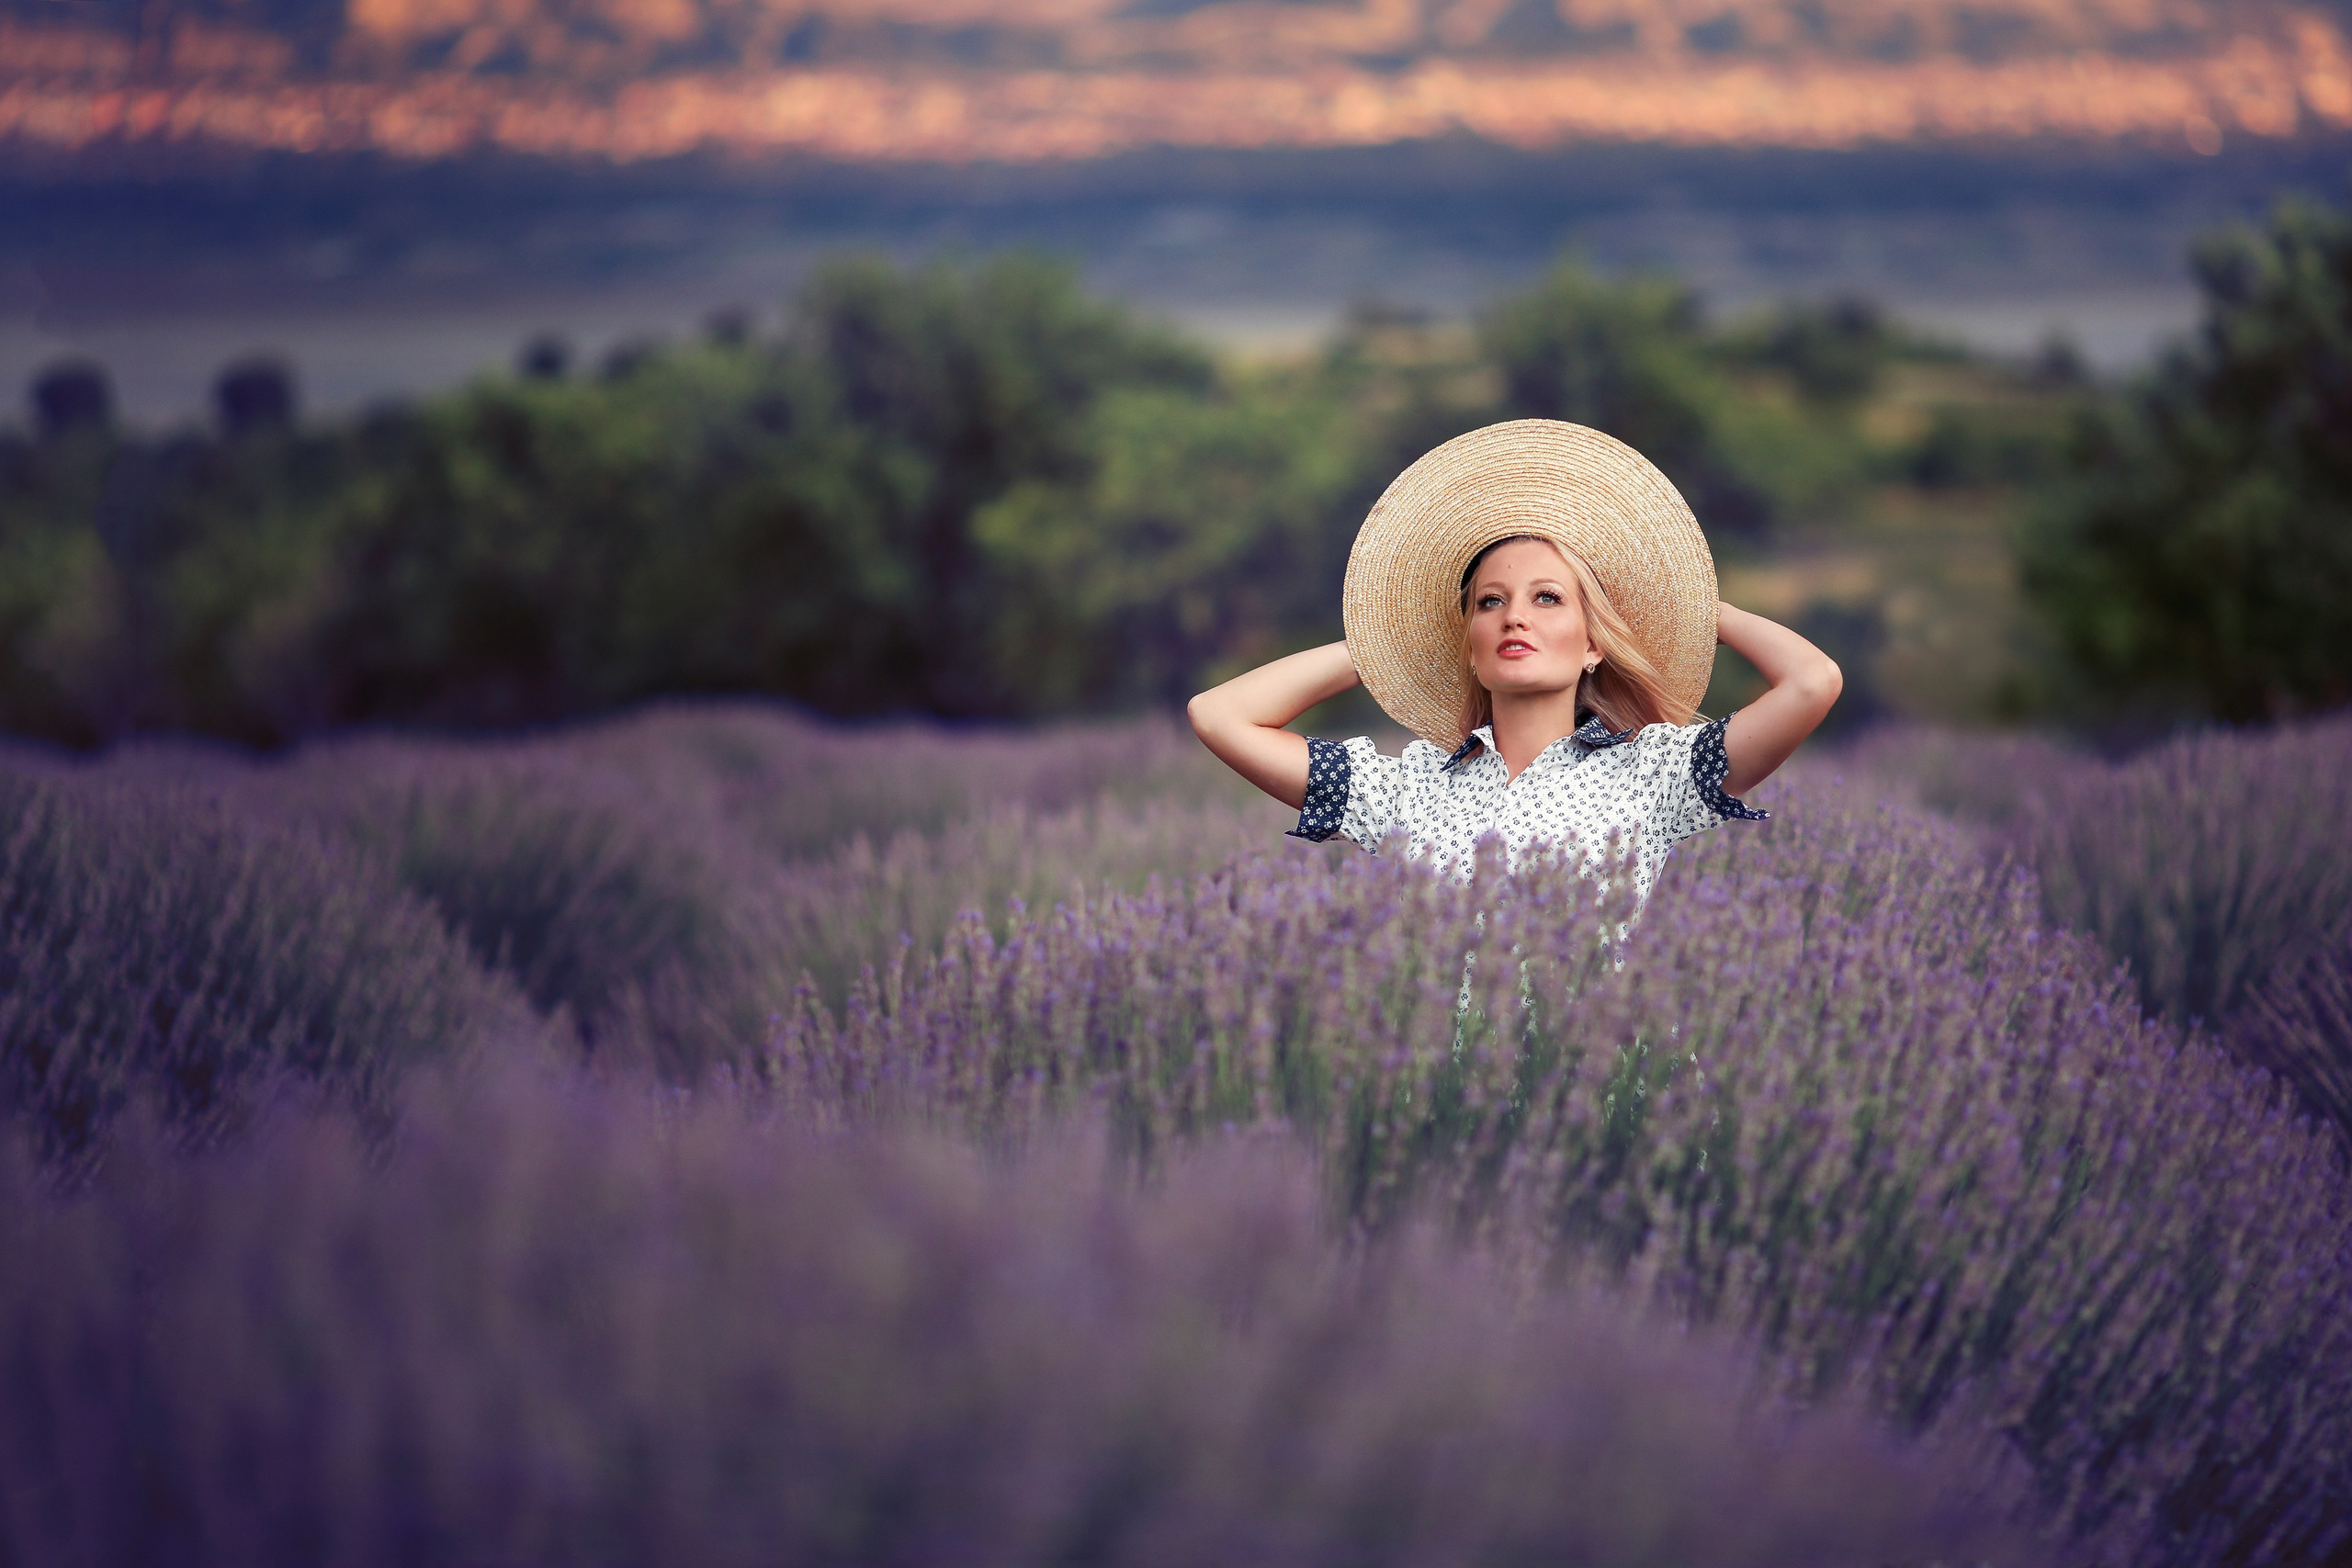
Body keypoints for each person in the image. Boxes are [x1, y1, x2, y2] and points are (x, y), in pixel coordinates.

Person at [1187, 419, 1841, 909]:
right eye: (1490, 602)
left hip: (1600, 1084)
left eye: (1548, 598)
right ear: (1469, 643)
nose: (1514, 617)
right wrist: (1383, 649)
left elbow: (1812, 682)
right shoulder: (1407, 788)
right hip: (1451, 1088)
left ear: (1594, 645)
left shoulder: (1653, 772)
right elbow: (1218, 715)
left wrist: (1690, 608)